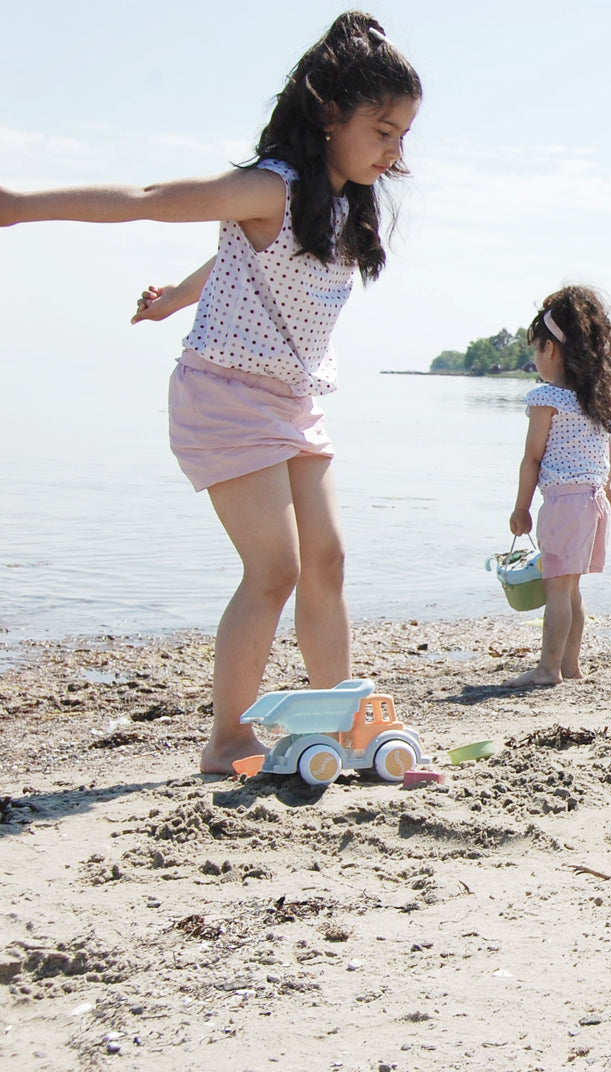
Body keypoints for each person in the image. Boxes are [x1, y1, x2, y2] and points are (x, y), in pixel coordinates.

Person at [0, 12, 422, 774]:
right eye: (384, 131)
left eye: (402, 135)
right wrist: (21, 205)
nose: (395, 151)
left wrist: (175, 295)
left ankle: (345, 726)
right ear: (330, 115)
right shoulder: (273, 185)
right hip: (225, 396)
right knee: (275, 570)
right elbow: (150, 195)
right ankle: (228, 737)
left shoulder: (339, 205)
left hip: (294, 401)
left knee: (326, 559)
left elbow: (243, 263)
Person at [507, 286, 611, 687]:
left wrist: (521, 508)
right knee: (571, 590)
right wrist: (606, 488)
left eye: (537, 349)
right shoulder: (595, 400)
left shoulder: (547, 398)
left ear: (551, 350)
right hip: (594, 505)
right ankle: (571, 665)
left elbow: (532, 458)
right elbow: (609, 460)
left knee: (556, 589)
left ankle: (547, 669)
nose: (536, 358)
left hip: (564, 503)